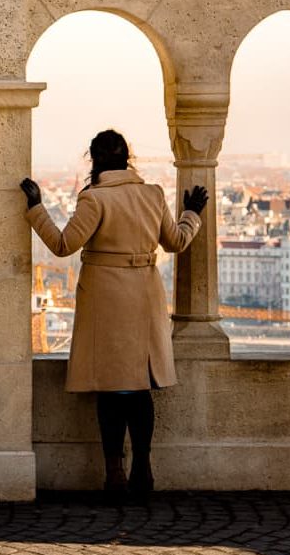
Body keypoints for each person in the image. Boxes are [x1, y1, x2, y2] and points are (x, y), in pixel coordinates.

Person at [20, 129, 208, 499]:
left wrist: (36, 208)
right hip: (145, 298)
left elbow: (62, 245)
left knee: (111, 392)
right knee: (140, 391)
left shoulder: (94, 200)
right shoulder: (152, 194)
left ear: (94, 160)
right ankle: (143, 467)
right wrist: (192, 213)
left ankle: (114, 473)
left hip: (106, 302)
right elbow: (176, 242)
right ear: (128, 158)